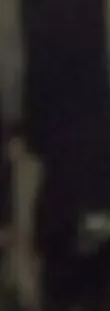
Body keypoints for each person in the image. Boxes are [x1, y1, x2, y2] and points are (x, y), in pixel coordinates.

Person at [3, 126, 41, 311]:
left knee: (29, 289)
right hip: (16, 243)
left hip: (28, 240)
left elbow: (30, 208)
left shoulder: (31, 169)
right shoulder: (11, 173)